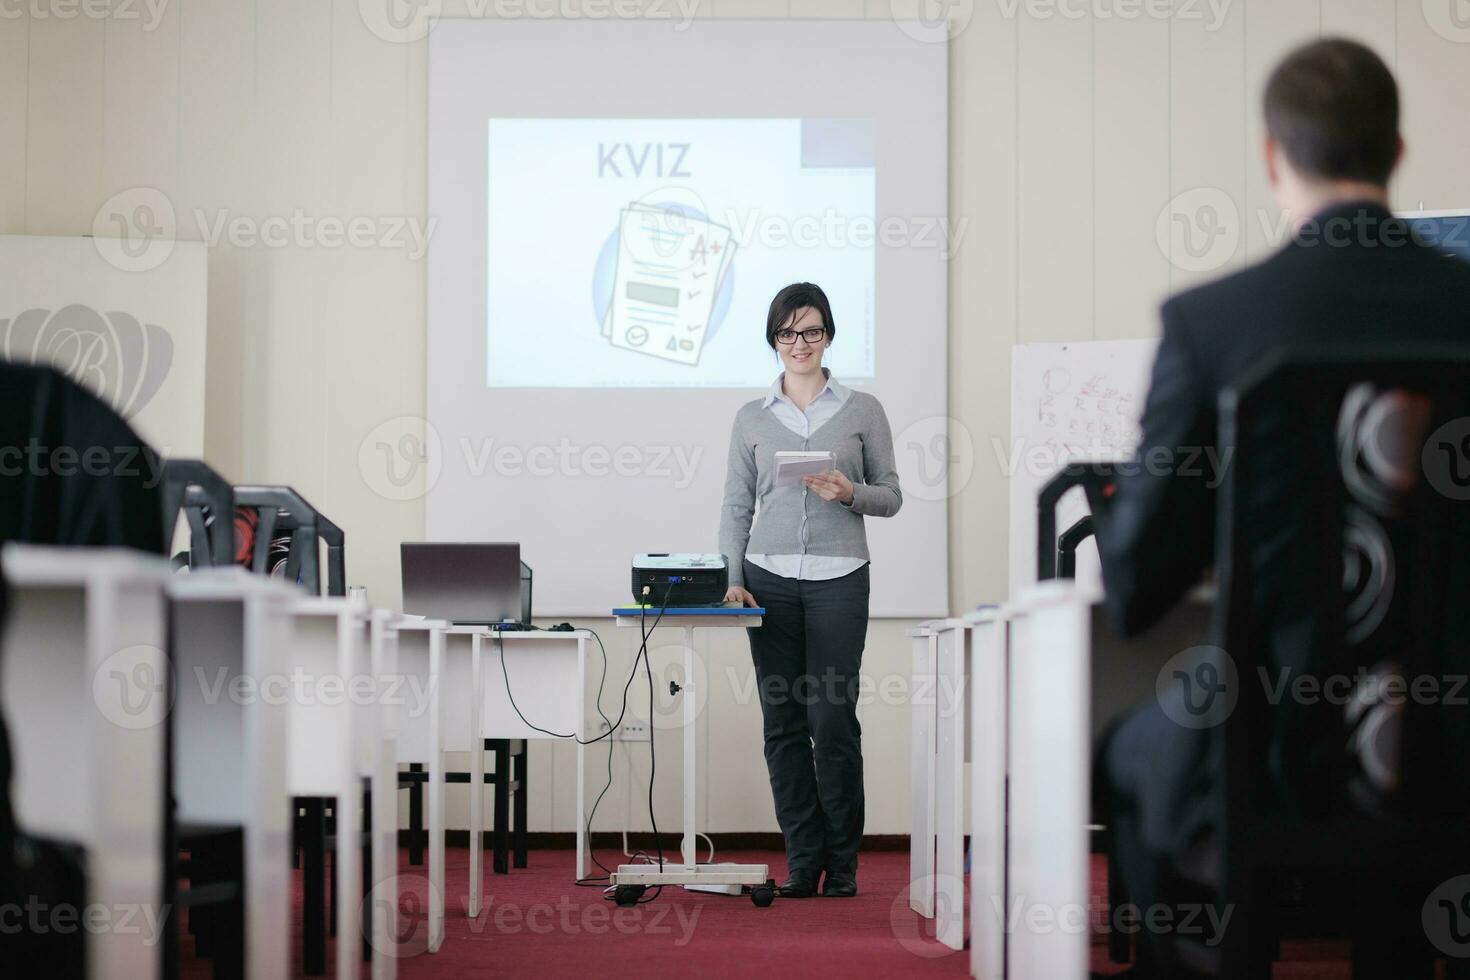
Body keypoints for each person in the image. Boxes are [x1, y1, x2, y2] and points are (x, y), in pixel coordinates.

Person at [1089, 38, 1470, 977]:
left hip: (1275, 746)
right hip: (1458, 741)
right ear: (1398, 150)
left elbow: (1136, 581)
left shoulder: (1214, 322)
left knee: (1132, 753)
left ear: (1271, 157)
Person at [718, 282, 902, 898]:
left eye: (812, 331)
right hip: (768, 580)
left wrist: (849, 493)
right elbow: (736, 506)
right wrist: (734, 580)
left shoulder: (862, 409)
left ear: (829, 336)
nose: (800, 344)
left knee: (834, 721)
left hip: (839, 579)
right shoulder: (752, 418)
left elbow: (892, 496)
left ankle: (842, 862)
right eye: (788, 333)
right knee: (783, 724)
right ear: (774, 340)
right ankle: (802, 860)